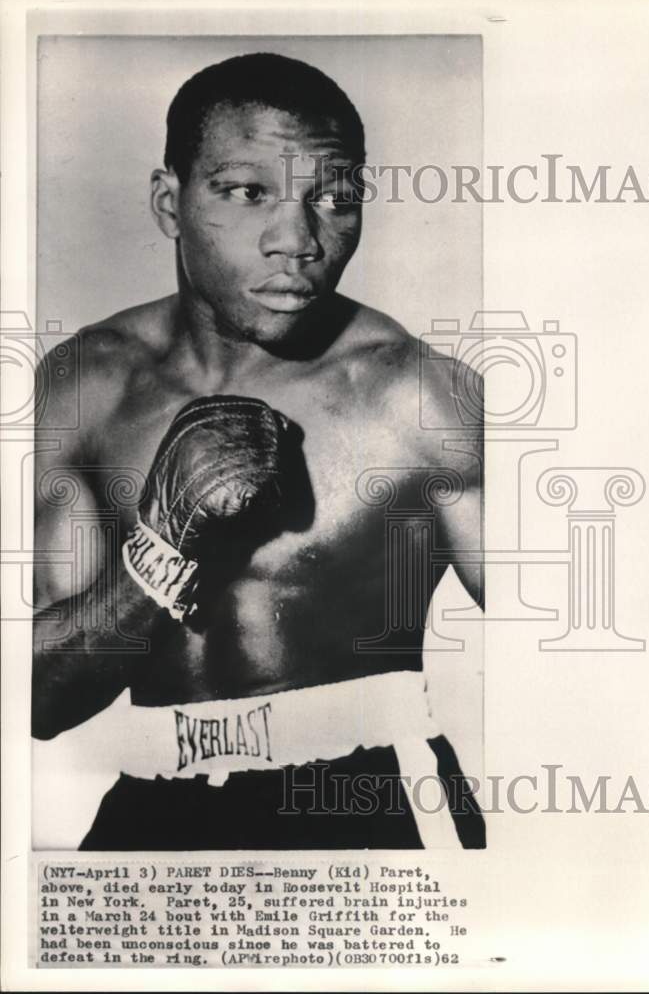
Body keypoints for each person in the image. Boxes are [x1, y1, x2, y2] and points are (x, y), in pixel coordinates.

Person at [32, 52, 484, 850]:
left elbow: (600, 665)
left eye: (336, 197)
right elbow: (36, 700)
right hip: (154, 802)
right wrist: (160, 552)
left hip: (375, 797)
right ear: (169, 203)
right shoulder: (84, 384)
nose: (298, 239)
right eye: (246, 194)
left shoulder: (419, 395)